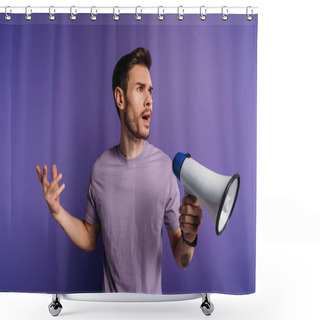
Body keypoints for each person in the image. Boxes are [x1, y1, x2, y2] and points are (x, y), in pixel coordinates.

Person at [36, 47, 203, 294]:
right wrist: (58, 212)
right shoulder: (100, 170)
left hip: (151, 314)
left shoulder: (165, 169)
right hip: (109, 311)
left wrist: (190, 236)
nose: (150, 100)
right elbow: (89, 238)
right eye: (140, 88)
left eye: (150, 91)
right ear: (120, 98)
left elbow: (181, 258)